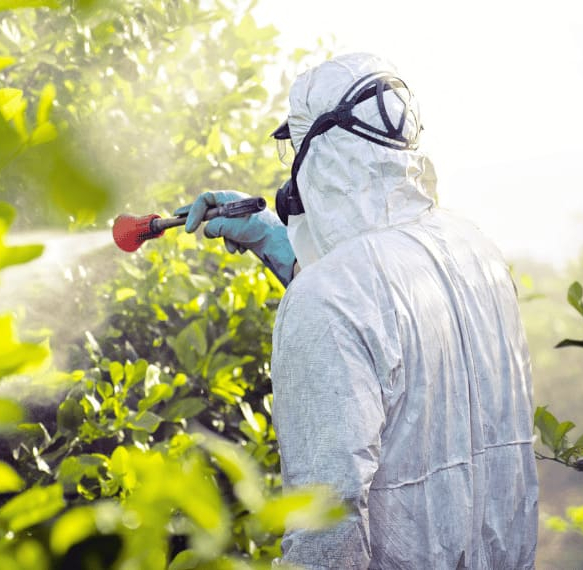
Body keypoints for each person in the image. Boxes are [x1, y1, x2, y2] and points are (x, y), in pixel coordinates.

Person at [180, 51, 538, 569]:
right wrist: (275, 242)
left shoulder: (327, 302)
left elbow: (328, 532)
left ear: (320, 156)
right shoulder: (474, 251)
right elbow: (388, 315)